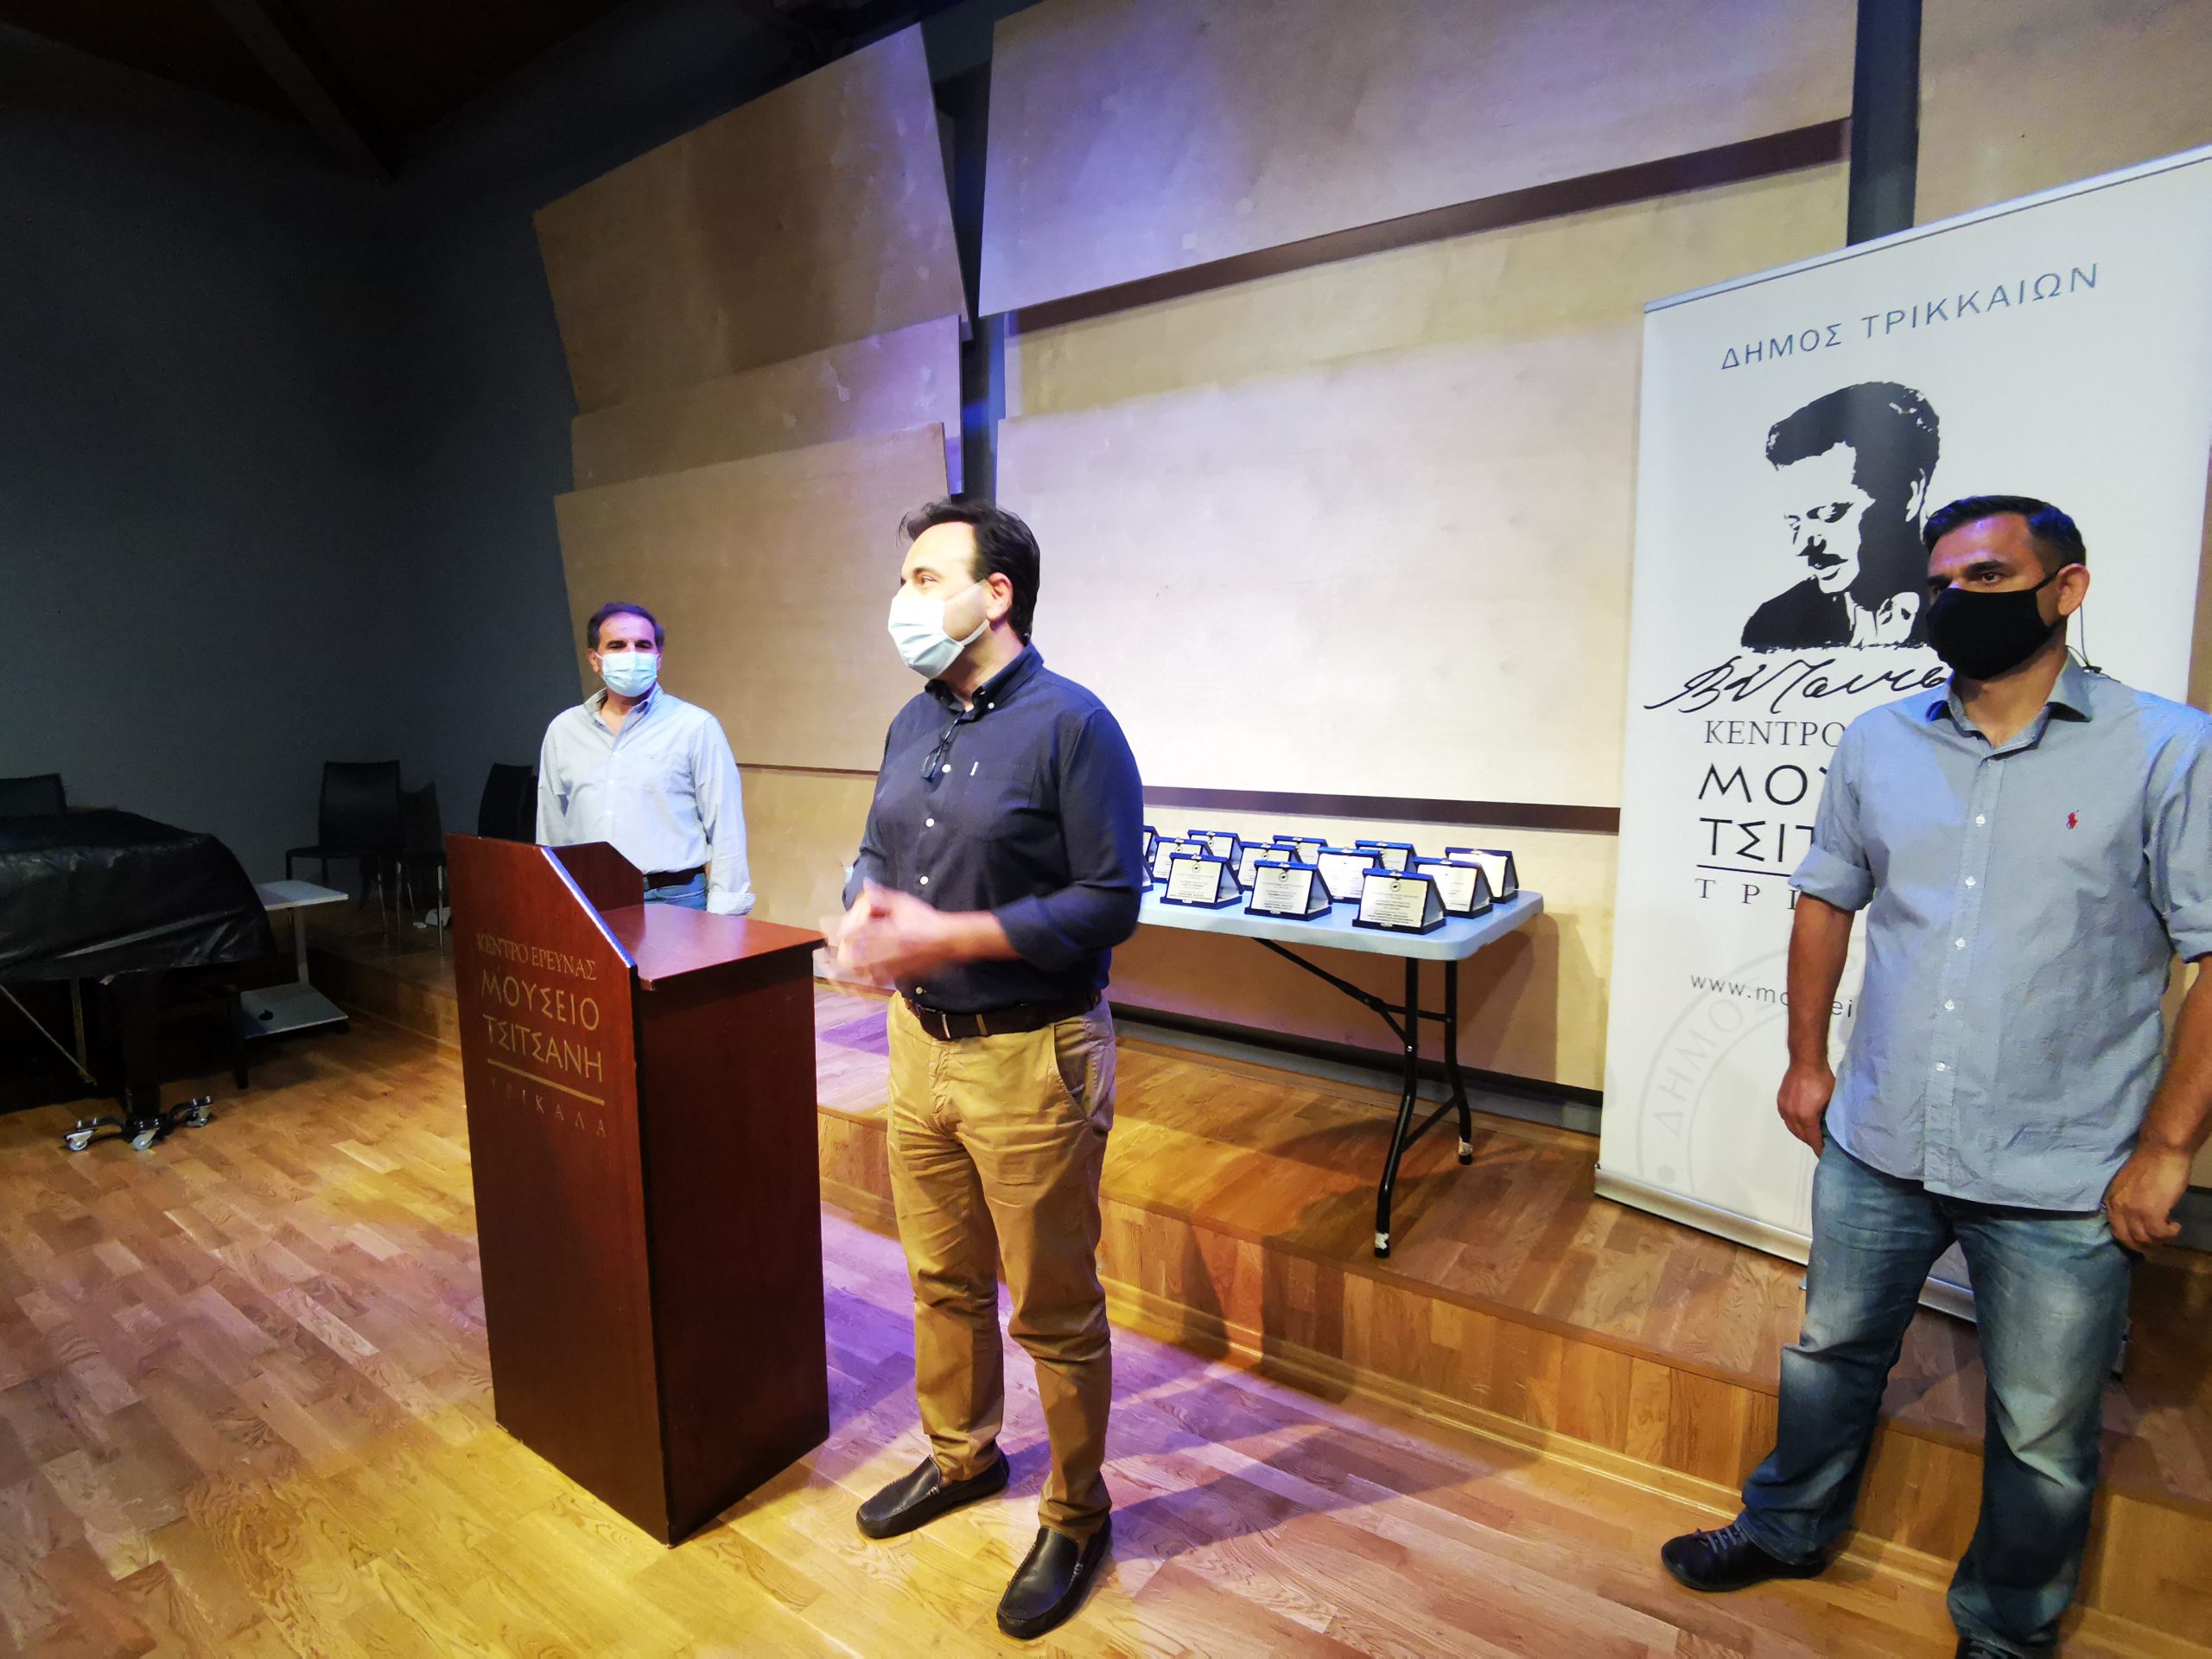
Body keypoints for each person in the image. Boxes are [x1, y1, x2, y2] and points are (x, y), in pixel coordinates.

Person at [1663, 495, 2212, 1657]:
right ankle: (1787, 1528)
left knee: (2043, 1432)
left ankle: (2007, 1630)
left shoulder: (2169, 749)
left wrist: (2167, 1150)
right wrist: (1804, 1062)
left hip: (2065, 1166)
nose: (1958, 600)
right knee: (1830, 1357)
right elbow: (1826, 897)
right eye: (1942, 580)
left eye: (1991, 577)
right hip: (1881, 1138)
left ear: (2067, 589)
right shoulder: (1878, 741)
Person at [826, 498, 1143, 1641]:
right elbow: (877, 849)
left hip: (1032, 1055)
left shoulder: (1075, 725)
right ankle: (964, 1456)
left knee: (1051, 1308)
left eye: (924, 577)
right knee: (942, 1280)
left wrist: (947, 935)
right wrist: (860, 909)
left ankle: (1077, 1512)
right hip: (920, 1047)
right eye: (904, 579)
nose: (902, 600)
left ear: (994, 593)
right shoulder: (913, 719)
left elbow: (1111, 902)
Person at [535, 601, 753, 913]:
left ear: (658, 658)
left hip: (674, 899)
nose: (632, 654)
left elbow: (725, 825)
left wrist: (726, 914)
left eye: (643, 645)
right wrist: (552, 902)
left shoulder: (694, 726)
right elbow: (552, 825)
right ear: (595, 659)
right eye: (617, 646)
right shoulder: (564, 730)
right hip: (590, 897)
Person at [1741, 382, 1940, 651]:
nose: (1803, 546)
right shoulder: (1771, 627)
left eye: (1830, 514)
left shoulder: (1975, 601)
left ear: (1908, 495)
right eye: (1794, 524)